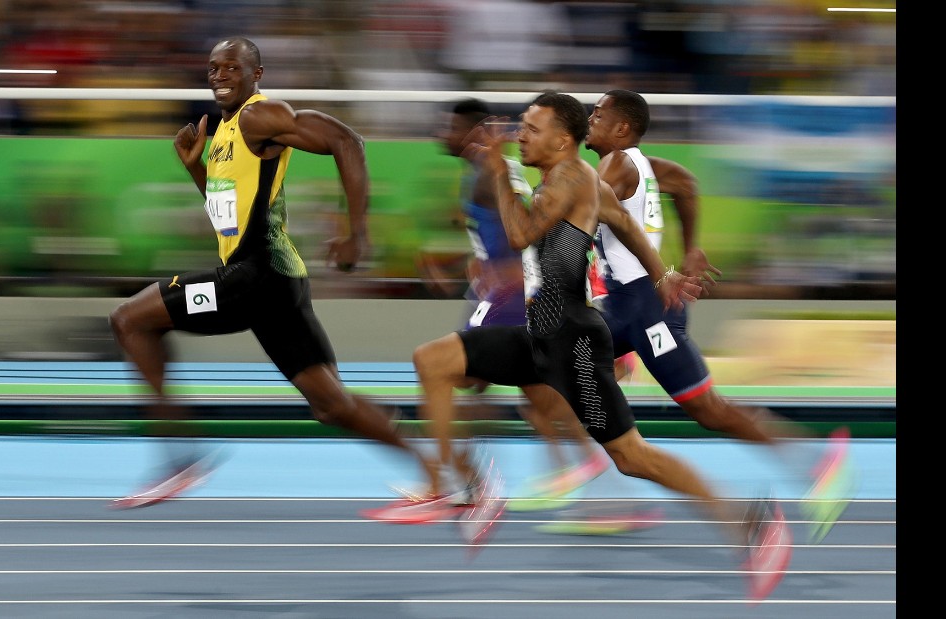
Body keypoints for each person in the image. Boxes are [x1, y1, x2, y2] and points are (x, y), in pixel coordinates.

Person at [366, 91, 793, 601]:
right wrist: (665, 274)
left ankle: (752, 523)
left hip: (572, 342)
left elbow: (522, 233)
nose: (519, 134)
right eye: (521, 126)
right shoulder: (583, 181)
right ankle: (454, 489)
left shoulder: (570, 178)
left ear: (562, 140)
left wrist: (500, 173)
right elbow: (627, 224)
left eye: (530, 127)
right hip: (540, 333)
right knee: (433, 361)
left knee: (632, 457)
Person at [107, 36, 438, 509]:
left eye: (232, 68)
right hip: (272, 284)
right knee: (331, 405)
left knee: (129, 320)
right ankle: (438, 475)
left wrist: (356, 232)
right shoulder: (220, 134)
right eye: (213, 68)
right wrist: (196, 170)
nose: (220, 76)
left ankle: (179, 457)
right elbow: (230, 216)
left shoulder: (259, 116)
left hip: (254, 277)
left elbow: (347, 140)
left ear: (256, 74)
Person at [581, 89, 855, 543]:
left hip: (647, 312)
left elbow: (584, 216)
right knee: (574, 369)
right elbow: (686, 184)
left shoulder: (614, 166)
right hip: (627, 309)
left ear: (622, 128)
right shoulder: (646, 166)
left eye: (598, 113)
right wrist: (692, 250)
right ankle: (611, 489)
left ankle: (816, 464)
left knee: (708, 410)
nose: (590, 118)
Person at [395, 97, 608, 509]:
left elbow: (523, 235)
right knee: (526, 394)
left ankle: (452, 480)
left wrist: (507, 275)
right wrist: (464, 263)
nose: (444, 133)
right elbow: (496, 238)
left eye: (451, 127)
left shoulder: (489, 176)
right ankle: (574, 462)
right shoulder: (485, 173)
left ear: (474, 133)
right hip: (506, 293)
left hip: (509, 298)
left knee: (449, 372)